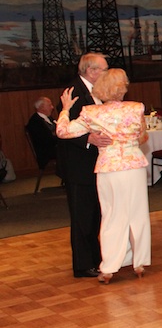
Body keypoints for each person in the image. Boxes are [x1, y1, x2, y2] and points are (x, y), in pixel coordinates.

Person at [56, 69, 151, 284]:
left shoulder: (92, 112)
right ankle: (138, 263)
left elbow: (62, 132)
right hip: (134, 165)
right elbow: (143, 137)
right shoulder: (137, 108)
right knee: (137, 213)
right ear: (123, 87)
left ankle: (109, 267)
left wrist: (65, 110)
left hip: (109, 168)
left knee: (111, 215)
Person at [58, 53, 111, 278]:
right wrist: (88, 139)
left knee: (93, 214)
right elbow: (60, 130)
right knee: (82, 216)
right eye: (104, 69)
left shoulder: (96, 91)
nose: (107, 73)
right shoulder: (74, 92)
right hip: (77, 165)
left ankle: (95, 258)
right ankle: (83, 265)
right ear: (91, 71)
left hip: (92, 163)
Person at [26, 96, 59, 172]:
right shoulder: (35, 121)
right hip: (46, 152)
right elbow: (46, 140)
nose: (52, 107)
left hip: (55, 146)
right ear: (41, 107)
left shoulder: (49, 118)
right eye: (49, 105)